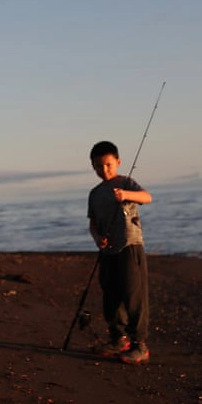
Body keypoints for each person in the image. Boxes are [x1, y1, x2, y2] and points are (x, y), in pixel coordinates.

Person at [87, 141, 153, 365]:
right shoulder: (94, 194)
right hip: (108, 252)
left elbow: (147, 197)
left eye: (108, 165)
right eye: (98, 166)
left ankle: (139, 345)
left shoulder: (126, 183)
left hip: (129, 247)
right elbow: (93, 223)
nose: (103, 170)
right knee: (111, 296)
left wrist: (126, 194)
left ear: (118, 162)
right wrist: (98, 239)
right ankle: (118, 339)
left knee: (134, 296)